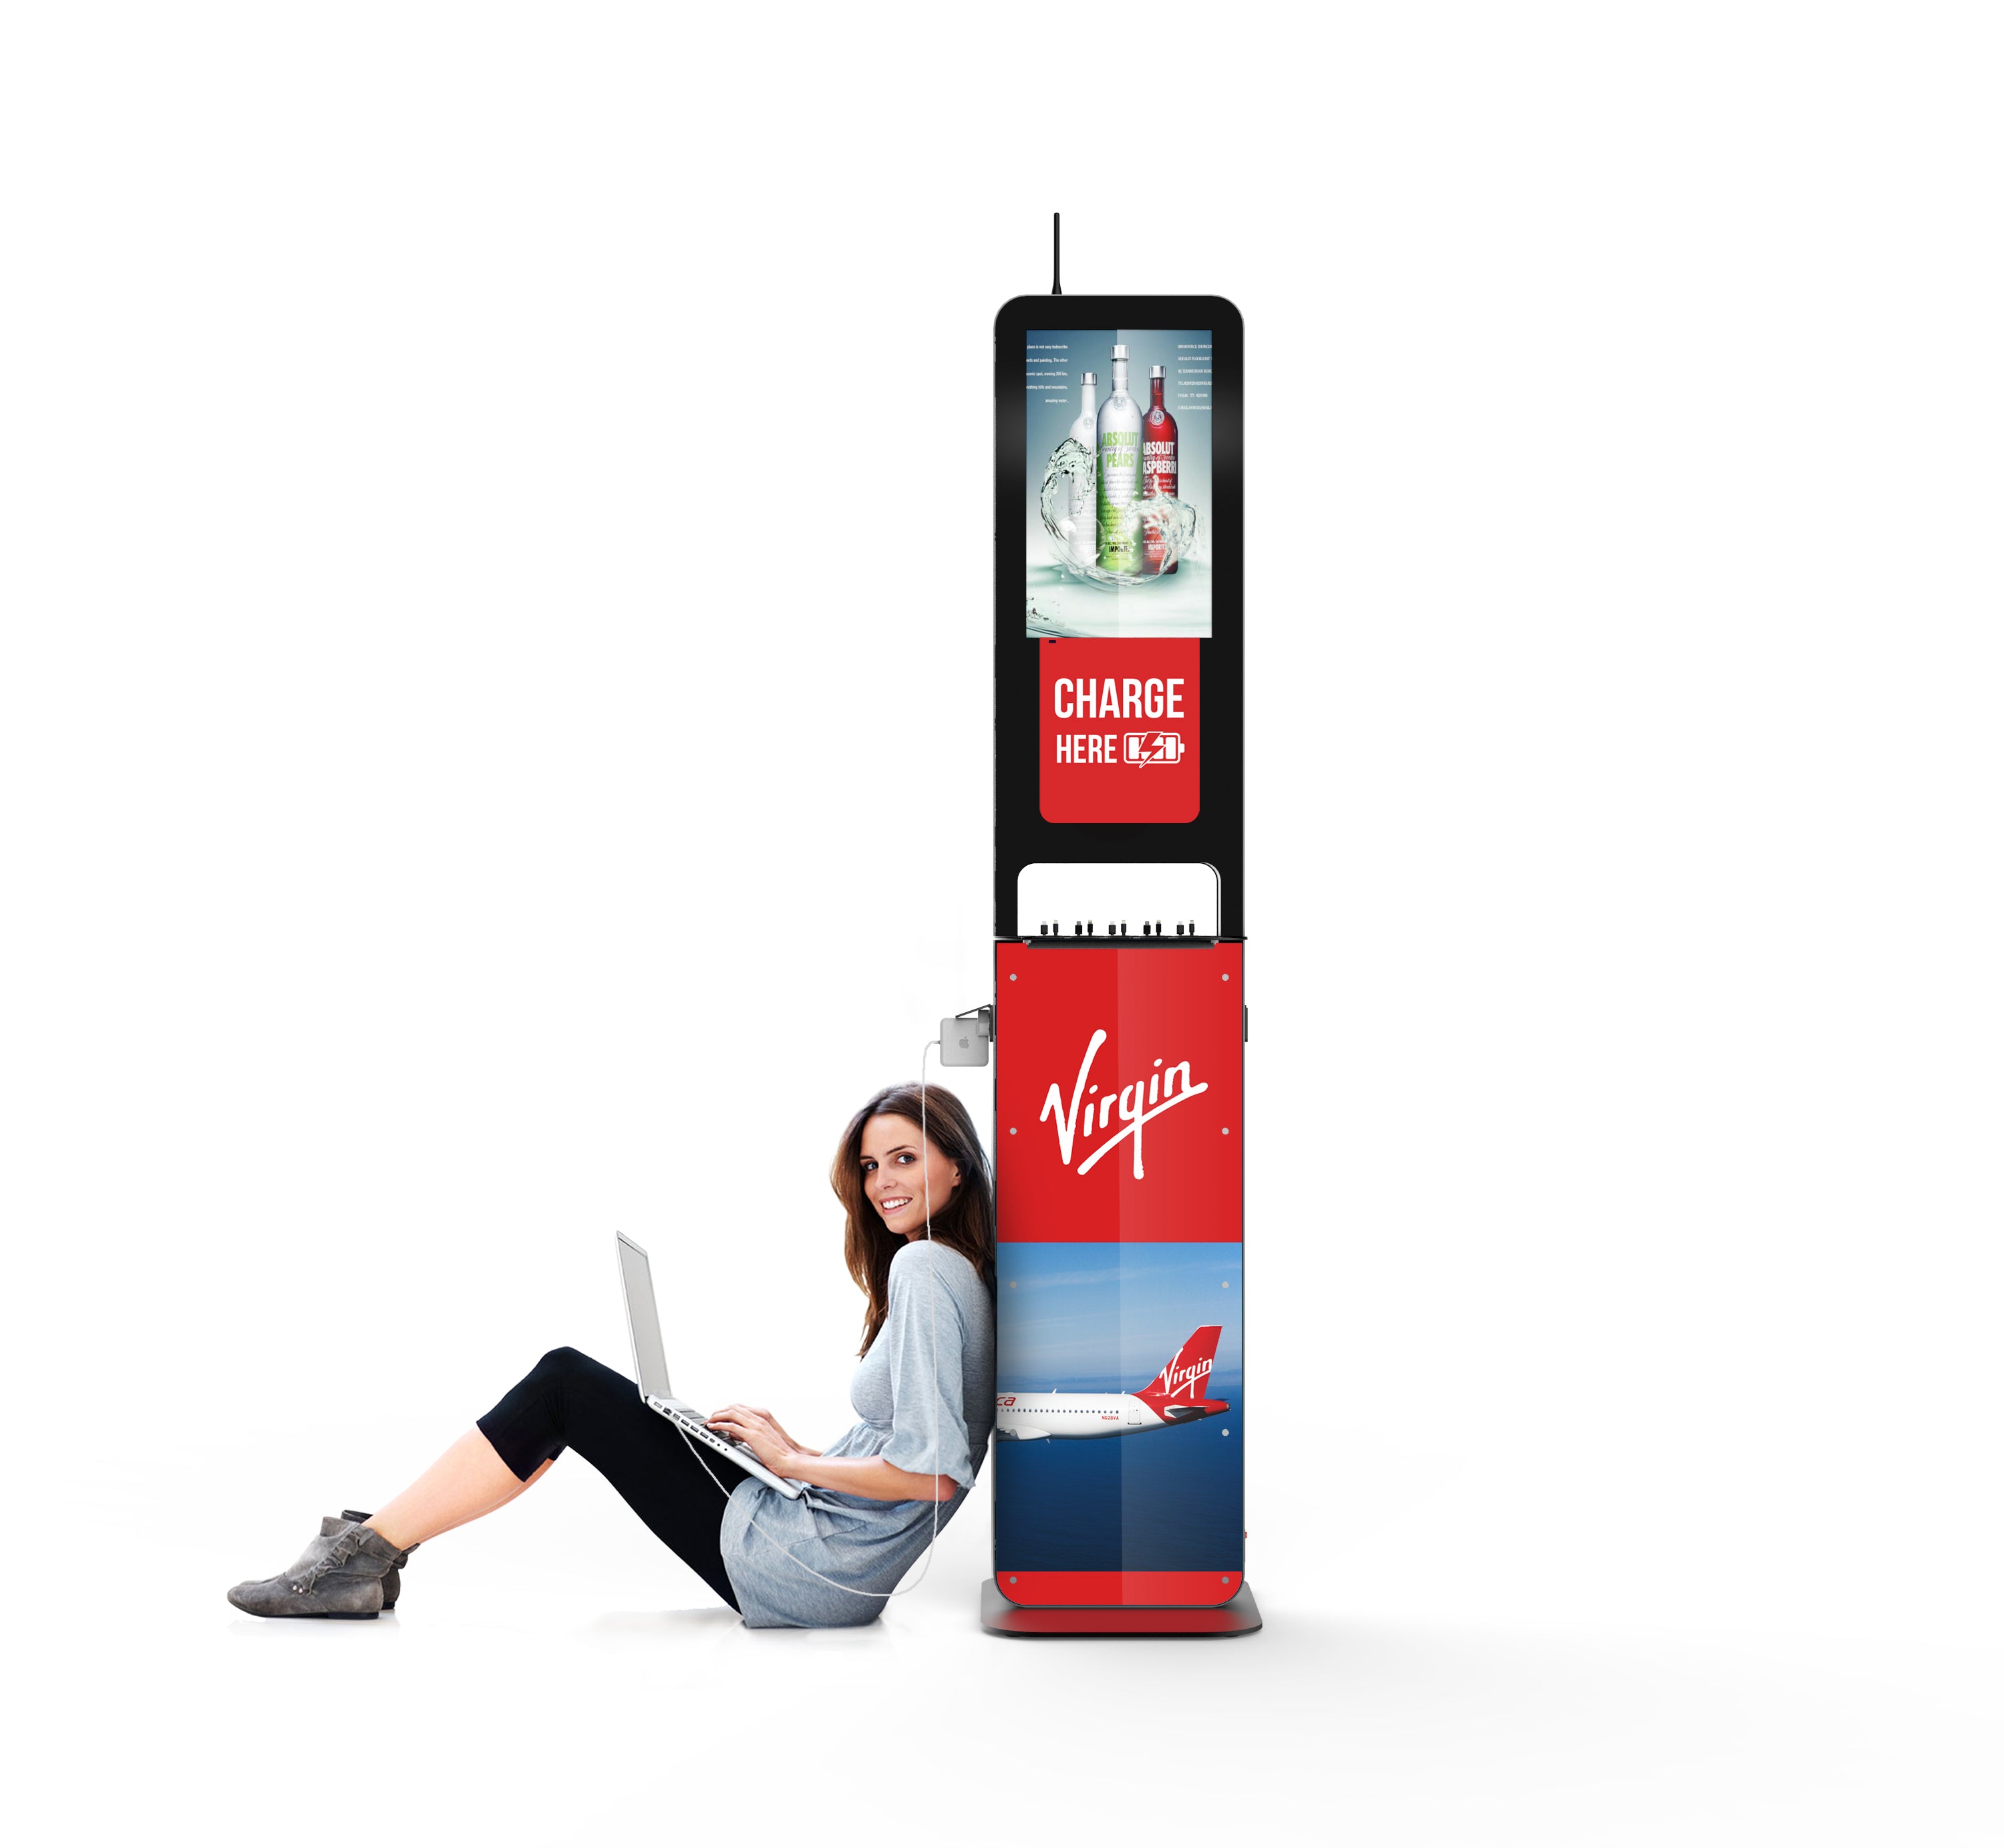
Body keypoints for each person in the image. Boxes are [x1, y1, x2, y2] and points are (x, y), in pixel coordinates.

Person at [226, 1084, 997, 1628]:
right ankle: (373, 1552)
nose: (881, 1183)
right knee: (587, 1394)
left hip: (809, 1572)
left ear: (956, 1165)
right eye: (870, 1167)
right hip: (819, 1540)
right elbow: (908, 1452)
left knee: (566, 1386)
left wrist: (792, 1468)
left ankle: (357, 1562)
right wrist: (791, 1450)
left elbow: (932, 1474)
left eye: (903, 1159)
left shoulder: (925, 1271)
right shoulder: (952, 1271)